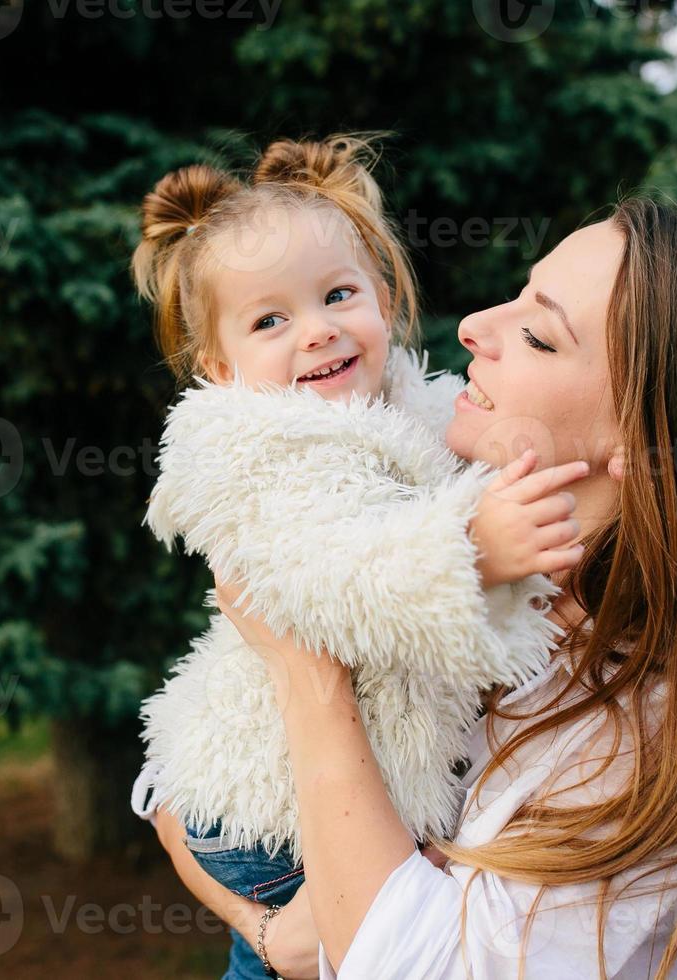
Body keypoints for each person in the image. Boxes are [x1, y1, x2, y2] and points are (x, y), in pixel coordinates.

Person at [153, 196, 677, 978]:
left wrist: (308, 676)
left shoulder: (640, 740)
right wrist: (257, 915)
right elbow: (178, 796)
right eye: (516, 293)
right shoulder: (482, 547)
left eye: (540, 335)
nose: (475, 324)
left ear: (646, 444)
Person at [128, 135, 586, 980]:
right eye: (271, 320)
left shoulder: (406, 399)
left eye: (338, 295)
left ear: (381, 295)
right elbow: (328, 576)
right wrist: (469, 548)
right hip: (273, 824)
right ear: (220, 366)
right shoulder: (258, 449)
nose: (318, 332)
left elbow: (482, 450)